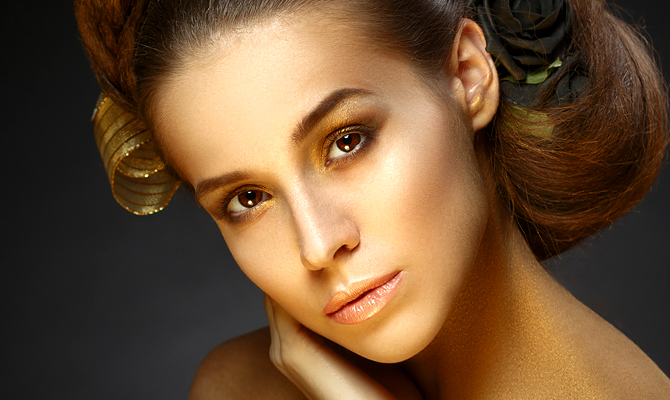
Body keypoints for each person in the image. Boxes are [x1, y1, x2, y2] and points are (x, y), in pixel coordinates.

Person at [75, 0, 670, 398]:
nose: (316, 246)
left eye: (346, 141)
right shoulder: (239, 388)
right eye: (248, 198)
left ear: (468, 76)